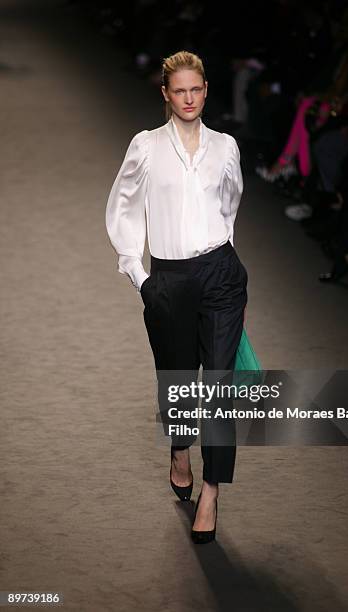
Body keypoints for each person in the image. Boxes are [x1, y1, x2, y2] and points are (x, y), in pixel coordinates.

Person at [105, 50, 248, 544]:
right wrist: (138, 274)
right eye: (179, 90)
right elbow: (122, 207)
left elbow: (231, 203)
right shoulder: (145, 148)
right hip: (168, 278)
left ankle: (211, 490)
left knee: (221, 388)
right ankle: (180, 447)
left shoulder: (226, 147)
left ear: (206, 90)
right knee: (180, 378)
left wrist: (221, 256)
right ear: (165, 94)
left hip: (221, 274)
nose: (188, 99)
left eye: (196, 89)